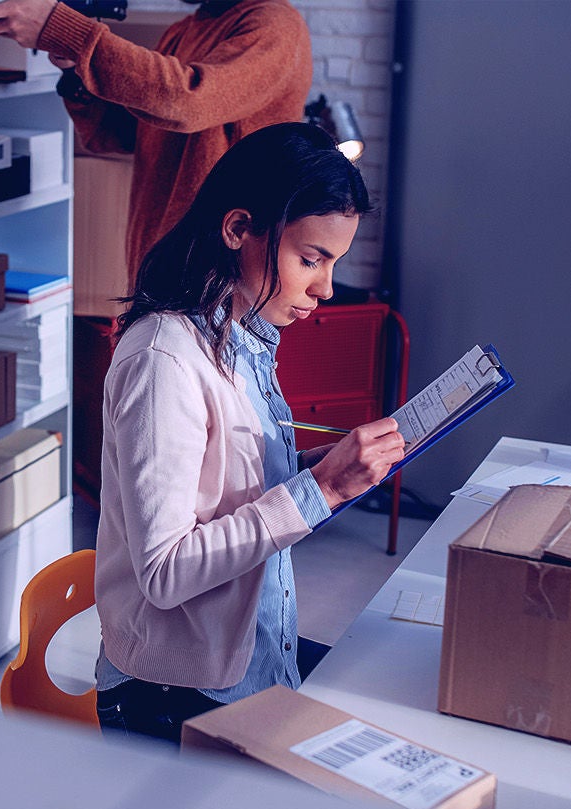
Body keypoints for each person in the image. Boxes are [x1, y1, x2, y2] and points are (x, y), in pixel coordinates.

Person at [86, 122, 404, 744]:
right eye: (310, 260)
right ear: (237, 230)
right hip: (173, 694)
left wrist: (324, 468)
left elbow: (228, 478)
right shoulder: (163, 360)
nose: (325, 288)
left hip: (251, 654)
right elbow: (166, 571)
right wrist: (323, 491)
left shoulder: (241, 337)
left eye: (332, 263)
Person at [0, 0, 312, 279]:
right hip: (157, 263)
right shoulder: (184, 31)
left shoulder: (275, 25)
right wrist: (74, 70)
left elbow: (188, 100)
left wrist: (68, 33)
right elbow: (123, 133)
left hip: (219, 278)